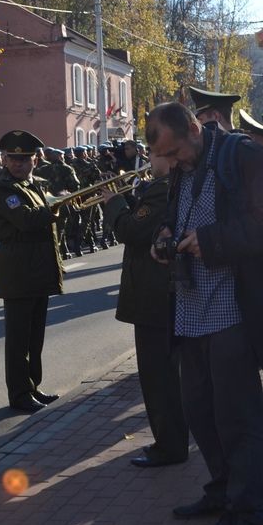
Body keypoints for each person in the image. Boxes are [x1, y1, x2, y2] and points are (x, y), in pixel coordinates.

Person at [147, 101, 263, 525]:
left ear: (195, 128)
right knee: (200, 412)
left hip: (234, 308)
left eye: (175, 153)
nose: (172, 164)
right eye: (167, 158)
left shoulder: (243, 154)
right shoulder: (183, 163)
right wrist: (164, 236)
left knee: (236, 417)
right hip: (191, 309)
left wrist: (211, 242)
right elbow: (177, 214)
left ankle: (247, 508)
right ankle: (220, 490)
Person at [103, 152, 188, 467]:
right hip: (164, 294)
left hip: (153, 296)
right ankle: (174, 439)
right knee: (169, 375)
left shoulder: (161, 188)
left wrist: (113, 202)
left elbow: (130, 231)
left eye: (152, 153)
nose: (148, 160)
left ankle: (169, 445)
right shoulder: (174, 185)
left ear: (167, 156)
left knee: (158, 378)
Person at [0, 131, 63, 413]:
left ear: (35, 160)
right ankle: (19, 394)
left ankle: (33, 386)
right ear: (5, 160)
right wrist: (55, 206)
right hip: (18, 270)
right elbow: (27, 221)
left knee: (35, 336)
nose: (17, 164)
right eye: (12, 158)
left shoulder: (33, 185)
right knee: (19, 339)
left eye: (23, 159)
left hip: (37, 268)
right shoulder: (4, 189)